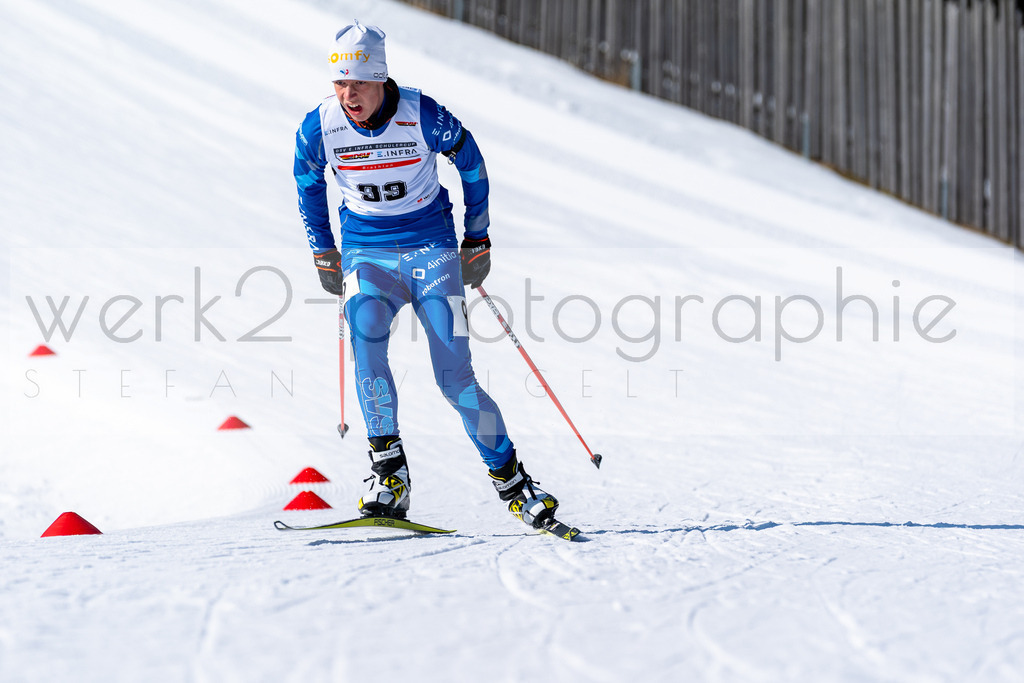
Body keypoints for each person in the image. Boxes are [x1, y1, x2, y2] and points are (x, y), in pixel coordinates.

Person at [294, 21, 558, 530]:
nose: (349, 95)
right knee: (366, 345)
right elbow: (307, 184)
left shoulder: (422, 114)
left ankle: (514, 482)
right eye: (340, 83)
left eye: (359, 83)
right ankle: (389, 475)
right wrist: (323, 251)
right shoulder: (319, 125)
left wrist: (477, 237)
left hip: (431, 251)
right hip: (367, 255)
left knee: (454, 376)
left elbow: (471, 163)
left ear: (380, 78)